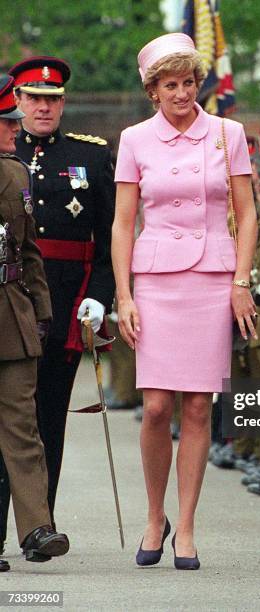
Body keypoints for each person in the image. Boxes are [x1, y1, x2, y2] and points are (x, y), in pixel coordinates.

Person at [112, 32, 257, 569]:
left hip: (212, 278)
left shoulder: (227, 133)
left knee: (198, 405)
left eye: (189, 82)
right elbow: (124, 220)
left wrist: (240, 282)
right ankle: (155, 516)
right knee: (155, 406)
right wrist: (123, 293)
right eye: (170, 85)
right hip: (155, 281)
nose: (182, 93)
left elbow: (247, 212)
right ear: (153, 90)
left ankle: (188, 527)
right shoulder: (134, 140)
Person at [0, 56, 116, 542]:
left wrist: (100, 298)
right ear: (18, 102)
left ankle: (39, 526)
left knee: (47, 417)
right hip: (13, 297)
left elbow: (109, 240)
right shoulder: (8, 155)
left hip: (65, 305)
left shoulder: (90, 155)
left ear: (63, 103)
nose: (43, 108)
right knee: (10, 416)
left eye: (53, 99)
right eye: (34, 99)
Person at [0, 74, 69, 571]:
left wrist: (42, 313)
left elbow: (28, 253)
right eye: (6, 124)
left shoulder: (15, 175)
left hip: (11, 315)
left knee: (23, 431)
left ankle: (37, 528)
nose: (14, 131)